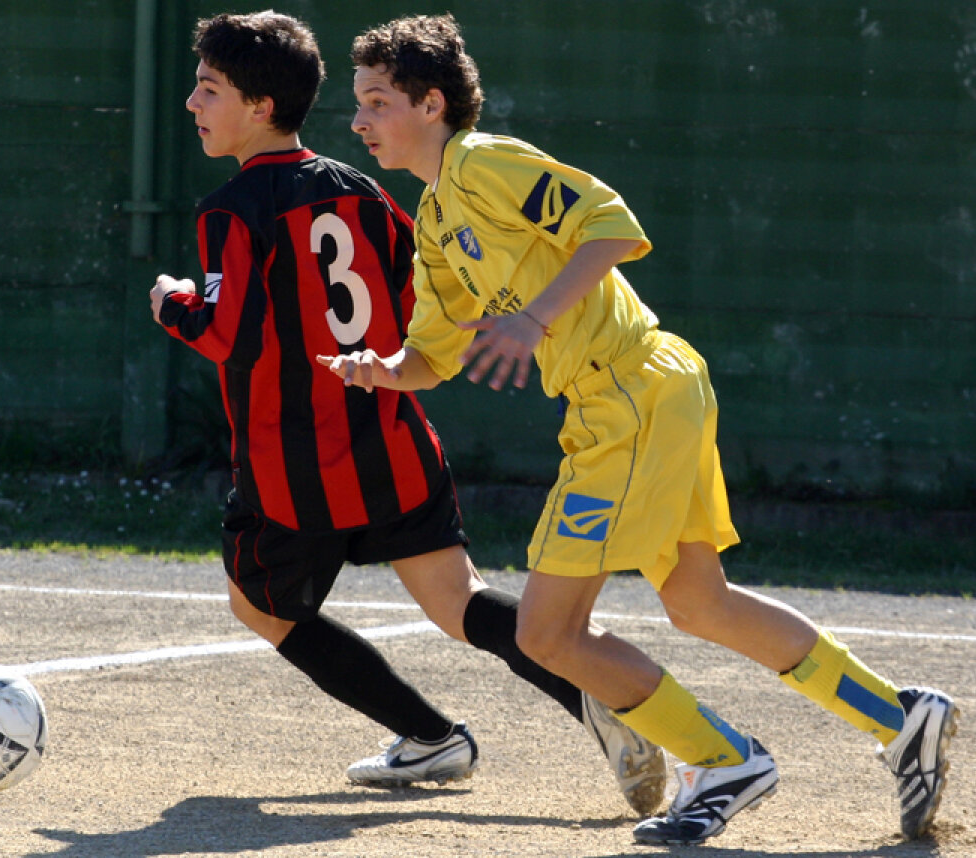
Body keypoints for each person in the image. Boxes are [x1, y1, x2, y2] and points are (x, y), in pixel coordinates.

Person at [323, 12, 959, 846]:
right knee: (700, 602)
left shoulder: (486, 162)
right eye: (358, 103)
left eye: (375, 100)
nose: (359, 119)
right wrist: (378, 369)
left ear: (432, 104)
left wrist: (536, 318)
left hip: (630, 395)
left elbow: (612, 225)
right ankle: (899, 715)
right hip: (635, 399)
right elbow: (432, 358)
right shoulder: (438, 222)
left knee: (545, 633)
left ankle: (722, 761)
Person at [148, 10, 667, 817]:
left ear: (259, 106)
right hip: (389, 435)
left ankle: (429, 735)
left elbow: (226, 331)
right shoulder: (363, 190)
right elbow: (417, 299)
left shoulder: (230, 209)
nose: (191, 103)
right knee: (461, 603)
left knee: (259, 604)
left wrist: (175, 302)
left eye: (207, 88)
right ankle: (595, 703)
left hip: (296, 460)